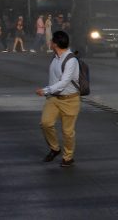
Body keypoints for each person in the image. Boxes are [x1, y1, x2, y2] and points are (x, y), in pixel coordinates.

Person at [36, 30, 81, 167]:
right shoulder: (55, 58)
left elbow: (64, 82)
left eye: (51, 41)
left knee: (67, 132)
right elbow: (54, 79)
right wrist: (49, 93)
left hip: (70, 99)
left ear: (55, 44)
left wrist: (45, 90)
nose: (49, 43)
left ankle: (68, 157)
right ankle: (55, 148)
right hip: (54, 98)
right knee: (45, 123)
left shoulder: (71, 60)